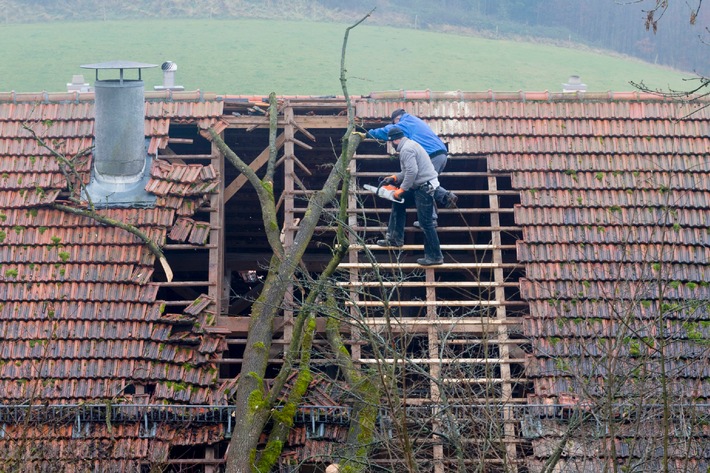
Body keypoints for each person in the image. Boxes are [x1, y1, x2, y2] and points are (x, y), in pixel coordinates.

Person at [365, 108, 458, 227]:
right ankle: (440, 204)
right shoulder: (415, 121)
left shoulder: (405, 123)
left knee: (424, 185)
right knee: (426, 185)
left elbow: (387, 131)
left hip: (431, 155)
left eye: (395, 123)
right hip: (441, 154)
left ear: (397, 119)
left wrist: (368, 133)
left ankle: (439, 206)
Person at [375, 127, 444, 266]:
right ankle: (395, 239)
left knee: (426, 223)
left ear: (395, 140)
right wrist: (394, 178)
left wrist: (401, 189)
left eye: (391, 142)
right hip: (420, 185)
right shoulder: (410, 145)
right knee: (398, 202)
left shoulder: (406, 149)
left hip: (425, 187)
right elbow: (407, 172)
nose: (392, 145)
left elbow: (412, 172)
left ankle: (435, 256)